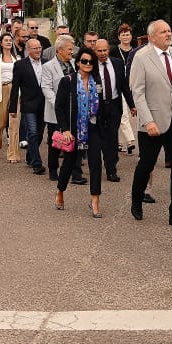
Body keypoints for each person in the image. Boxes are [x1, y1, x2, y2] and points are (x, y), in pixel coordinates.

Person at [129, 20, 172, 228]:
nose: (168, 34)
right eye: (163, 31)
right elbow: (137, 92)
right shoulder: (141, 58)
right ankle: (137, 200)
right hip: (153, 123)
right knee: (147, 164)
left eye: (169, 30)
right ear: (152, 37)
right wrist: (148, 121)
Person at [53, 48, 106, 217]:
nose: (88, 64)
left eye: (91, 61)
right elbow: (59, 107)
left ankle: (95, 200)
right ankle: (60, 191)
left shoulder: (97, 82)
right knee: (69, 163)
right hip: (74, 129)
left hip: (93, 128)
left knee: (96, 163)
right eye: (84, 61)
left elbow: (101, 106)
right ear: (77, 63)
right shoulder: (67, 81)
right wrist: (65, 129)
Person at [94, 37, 133, 183]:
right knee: (99, 138)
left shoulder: (117, 63)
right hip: (97, 107)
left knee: (112, 137)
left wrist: (132, 105)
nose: (103, 53)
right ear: (94, 51)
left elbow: (124, 85)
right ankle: (97, 165)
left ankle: (111, 169)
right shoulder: (90, 65)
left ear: (109, 50)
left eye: (105, 50)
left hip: (114, 106)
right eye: (99, 51)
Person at [41, 36, 76, 181]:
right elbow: (46, 87)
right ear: (60, 50)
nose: (72, 52)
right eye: (69, 49)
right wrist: (59, 104)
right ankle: (53, 169)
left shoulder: (75, 64)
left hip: (73, 110)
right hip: (55, 110)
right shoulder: (48, 66)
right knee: (55, 141)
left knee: (72, 139)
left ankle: (72, 169)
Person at [10, 37, 48, 174]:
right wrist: (12, 107)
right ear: (28, 50)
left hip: (44, 105)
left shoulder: (46, 63)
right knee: (32, 133)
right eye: (35, 48)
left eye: (39, 48)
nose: (38, 50)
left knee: (40, 134)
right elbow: (15, 87)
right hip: (28, 104)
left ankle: (29, 156)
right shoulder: (20, 65)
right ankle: (37, 164)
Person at [0, 32, 20, 163]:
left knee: (14, 123)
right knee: (0, 122)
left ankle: (13, 154)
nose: (8, 42)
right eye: (6, 40)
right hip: (1, 89)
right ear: (1, 43)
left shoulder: (17, 58)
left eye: (10, 40)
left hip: (15, 90)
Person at [115, 22, 138, 155]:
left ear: (131, 36)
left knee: (133, 112)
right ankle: (130, 141)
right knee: (123, 113)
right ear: (119, 37)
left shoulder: (136, 52)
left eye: (127, 34)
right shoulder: (114, 51)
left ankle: (117, 141)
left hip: (133, 84)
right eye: (123, 35)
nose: (125, 37)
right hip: (119, 85)